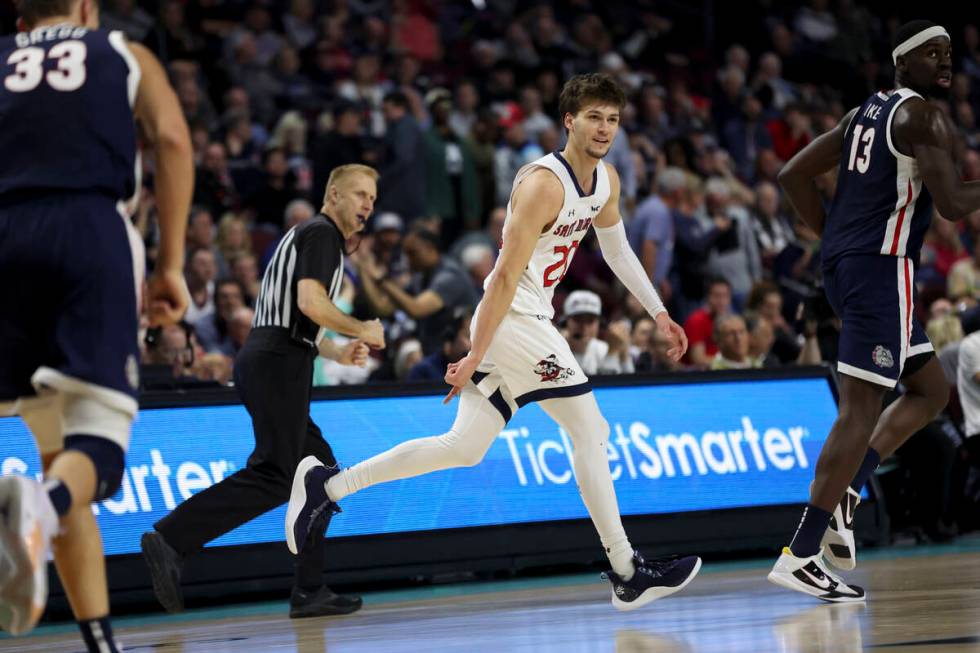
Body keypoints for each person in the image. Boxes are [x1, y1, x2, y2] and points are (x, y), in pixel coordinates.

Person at [286, 73, 701, 612]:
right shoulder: (541, 183)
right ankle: (627, 569)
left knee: (463, 447)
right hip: (512, 320)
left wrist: (661, 312)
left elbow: (619, 253)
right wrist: (477, 353)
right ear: (569, 121)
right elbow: (503, 277)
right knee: (589, 427)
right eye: (594, 117)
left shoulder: (607, 182)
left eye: (613, 119)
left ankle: (327, 487)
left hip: (527, 319)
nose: (604, 128)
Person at [0, 0, 193, 647]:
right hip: (86, 232)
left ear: (22, 21)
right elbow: (170, 138)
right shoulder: (125, 53)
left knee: (60, 452)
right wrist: (169, 266)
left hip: (6, 238)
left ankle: (99, 640)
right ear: (88, 9)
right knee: (98, 455)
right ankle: (35, 507)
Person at [768, 21, 980, 602]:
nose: (944, 61)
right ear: (901, 62)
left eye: (949, 52)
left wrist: (835, 234)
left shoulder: (864, 114)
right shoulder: (922, 116)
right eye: (930, 52)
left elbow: (792, 175)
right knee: (860, 408)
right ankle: (802, 551)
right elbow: (956, 206)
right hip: (883, 271)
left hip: (849, 268)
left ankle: (850, 492)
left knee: (930, 390)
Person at [140, 164, 385, 619]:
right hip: (277, 361)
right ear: (332, 195)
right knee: (277, 473)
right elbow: (311, 304)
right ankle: (172, 538)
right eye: (358, 194)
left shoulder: (307, 235)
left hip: (273, 355)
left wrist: (337, 351)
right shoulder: (322, 234)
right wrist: (363, 328)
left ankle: (310, 589)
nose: (368, 204)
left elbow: (299, 317)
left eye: (372, 197)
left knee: (320, 474)